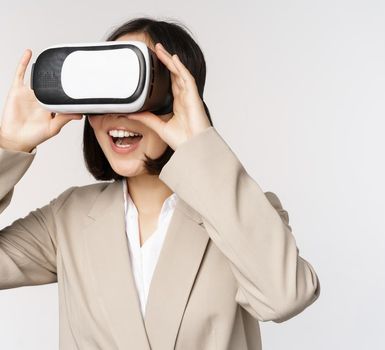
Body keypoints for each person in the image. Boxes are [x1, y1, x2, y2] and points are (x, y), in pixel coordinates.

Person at [0, 17, 320, 349]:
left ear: (177, 99)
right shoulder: (68, 218)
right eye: (102, 91)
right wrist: (9, 144)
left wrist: (201, 145)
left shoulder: (238, 212)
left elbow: (286, 297)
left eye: (132, 89)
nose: (117, 113)